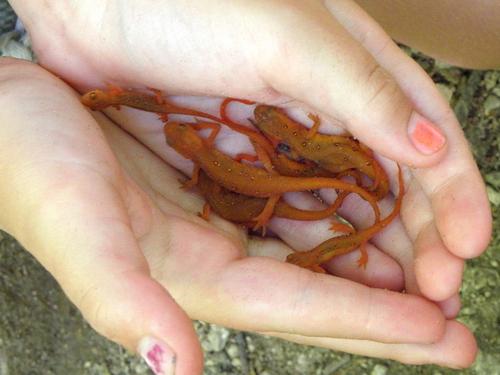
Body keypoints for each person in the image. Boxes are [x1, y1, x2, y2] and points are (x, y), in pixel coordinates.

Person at [1, 1, 496, 374]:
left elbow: (213, 160)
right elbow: (213, 158)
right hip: (256, 183)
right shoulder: (206, 156)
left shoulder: (208, 159)